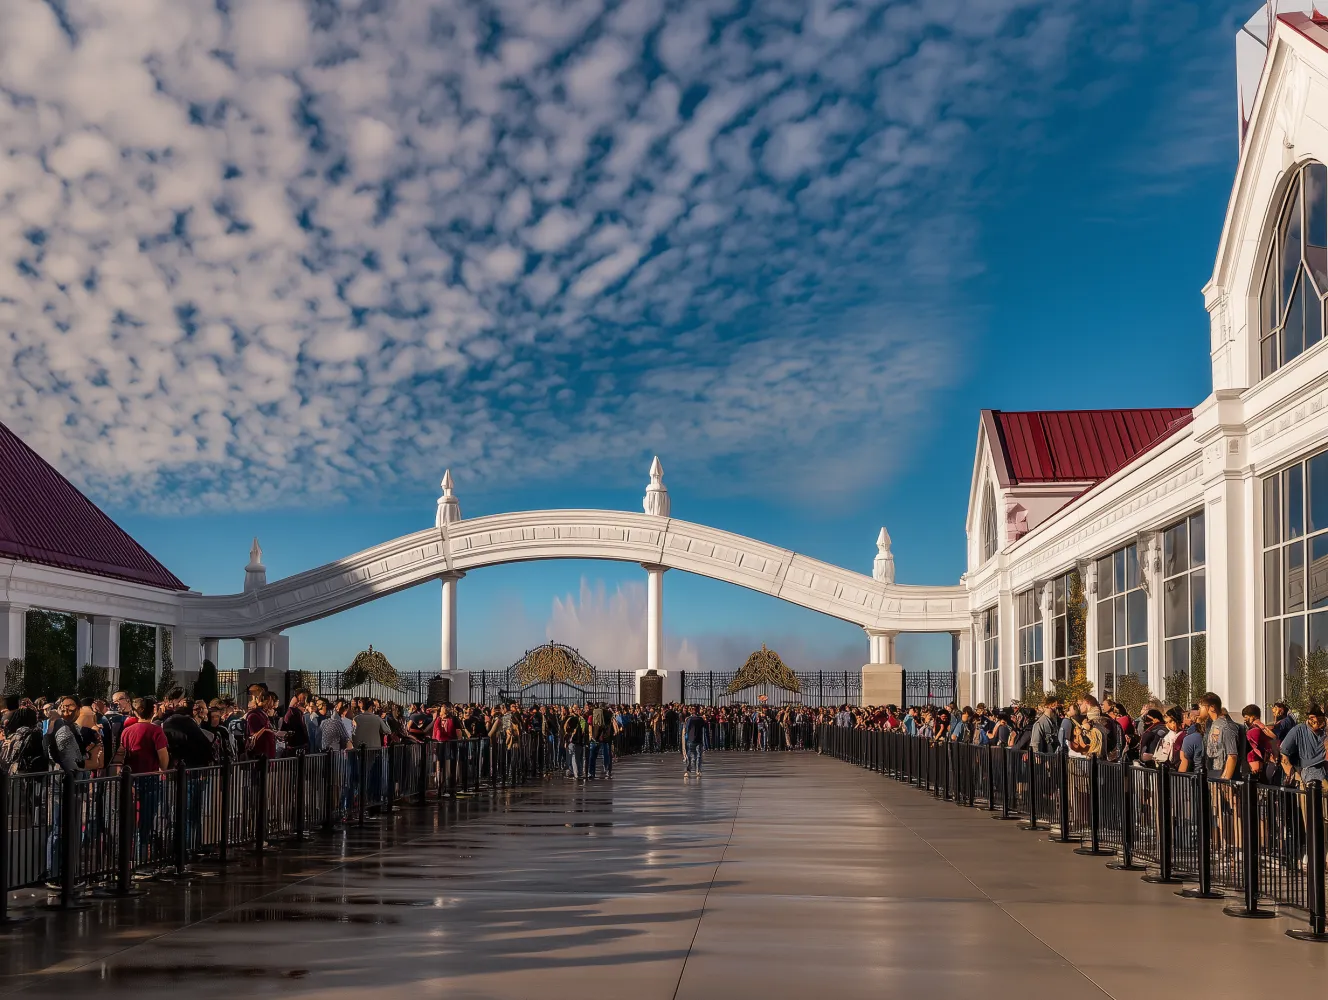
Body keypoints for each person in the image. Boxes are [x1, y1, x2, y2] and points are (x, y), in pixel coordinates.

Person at [1281, 704, 1328, 784]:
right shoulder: (1299, 729)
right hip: (1310, 772)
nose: (1316, 720)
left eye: (1319, 717)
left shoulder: (1325, 731)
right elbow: (1283, 750)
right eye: (1312, 717)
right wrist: (1290, 772)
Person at [1198, 692, 1239, 779]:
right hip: (1214, 773)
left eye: (1201, 707)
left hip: (1223, 776)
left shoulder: (1226, 726)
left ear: (1212, 707)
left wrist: (1224, 781)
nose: (1199, 710)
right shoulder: (1213, 724)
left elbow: (1232, 755)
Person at [244, 685, 278, 761]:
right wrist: (265, 729)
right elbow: (254, 735)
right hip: (259, 754)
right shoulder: (253, 715)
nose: (271, 705)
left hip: (268, 751)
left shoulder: (264, 714)